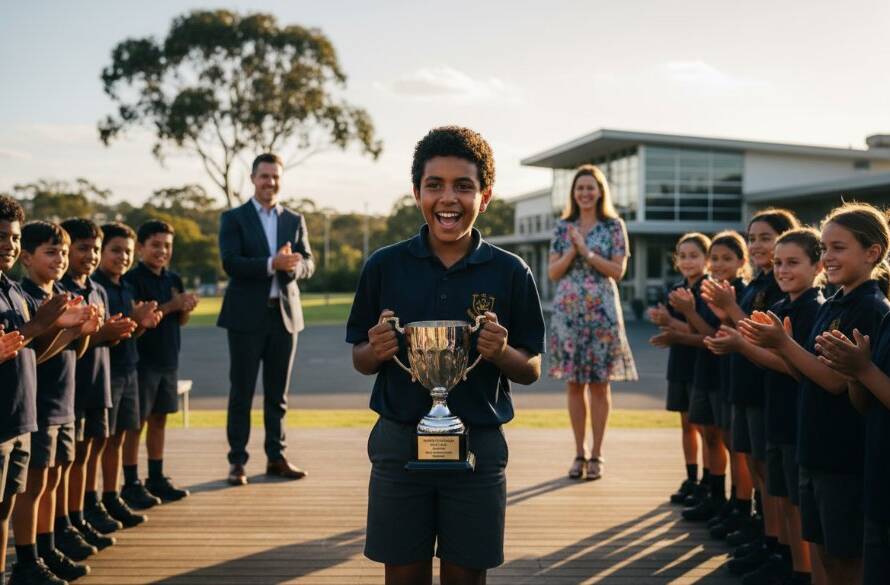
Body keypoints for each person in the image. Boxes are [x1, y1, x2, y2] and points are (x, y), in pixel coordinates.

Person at [346, 126, 545, 585]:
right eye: (434, 185)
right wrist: (374, 351)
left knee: (466, 575)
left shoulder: (511, 271)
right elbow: (359, 357)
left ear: (486, 195)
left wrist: (500, 352)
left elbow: (531, 368)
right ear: (417, 192)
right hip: (399, 442)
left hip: (479, 444)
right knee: (403, 574)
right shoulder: (384, 265)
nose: (447, 198)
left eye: (463, 185)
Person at [741, 202, 890, 584]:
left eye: (838, 247)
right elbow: (807, 372)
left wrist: (783, 345)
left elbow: (835, 381)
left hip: (843, 455)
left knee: (847, 560)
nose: (828, 256)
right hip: (815, 447)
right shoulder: (836, 302)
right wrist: (779, 347)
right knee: (825, 554)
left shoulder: (870, 307)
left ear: (872, 253)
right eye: (824, 248)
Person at [706, 228, 825, 585]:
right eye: (779, 263)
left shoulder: (812, 309)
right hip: (773, 407)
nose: (783, 270)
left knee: (794, 501)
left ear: (817, 266)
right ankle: (781, 554)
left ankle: (799, 569)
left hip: (793, 415)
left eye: (793, 263)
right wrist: (739, 340)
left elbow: (792, 365)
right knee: (778, 492)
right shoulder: (780, 305)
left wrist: (741, 342)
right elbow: (768, 352)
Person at [0, 200, 92, 585]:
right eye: (1, 236)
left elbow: (31, 353)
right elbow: (28, 336)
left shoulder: (11, 291)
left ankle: (22, 567)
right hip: (7, 420)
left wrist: (70, 331)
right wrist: (40, 325)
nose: (9, 244)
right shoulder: (25, 292)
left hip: (22, 416)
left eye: (14, 237)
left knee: (5, 510)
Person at [217, 153, 314, 486]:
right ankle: (237, 462)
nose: (270, 182)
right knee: (241, 393)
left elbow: (308, 263)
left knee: (278, 395)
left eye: (275, 177)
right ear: (253, 178)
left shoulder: (294, 219)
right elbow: (230, 263)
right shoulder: (233, 218)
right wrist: (272, 263)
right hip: (245, 317)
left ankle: (276, 457)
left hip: (285, 317)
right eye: (264, 176)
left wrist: (294, 266)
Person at [547, 164, 637, 481]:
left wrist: (587, 252)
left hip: (601, 311)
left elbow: (618, 271)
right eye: (579, 188)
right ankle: (579, 452)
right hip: (569, 313)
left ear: (600, 191)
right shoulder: (562, 227)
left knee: (600, 384)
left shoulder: (614, 226)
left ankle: (597, 454)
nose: (585, 193)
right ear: (573, 193)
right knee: (574, 383)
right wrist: (572, 251)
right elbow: (553, 273)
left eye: (590, 187)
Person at [59, 218, 134, 545]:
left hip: (98, 381)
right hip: (71, 387)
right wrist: (102, 333)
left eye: (94, 249)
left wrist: (115, 332)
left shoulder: (98, 289)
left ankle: (83, 513)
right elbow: (69, 340)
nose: (90, 255)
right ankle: (64, 523)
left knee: (90, 451)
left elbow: (101, 338)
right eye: (82, 248)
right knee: (69, 459)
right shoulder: (63, 291)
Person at [123, 220, 197, 502]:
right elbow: (140, 319)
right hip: (142, 361)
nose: (162, 251)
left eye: (167, 246)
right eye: (156, 245)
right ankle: (131, 482)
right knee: (135, 423)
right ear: (141, 247)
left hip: (168, 359)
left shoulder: (173, 279)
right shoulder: (133, 280)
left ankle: (156, 476)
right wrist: (171, 306)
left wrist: (185, 308)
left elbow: (181, 319)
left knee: (159, 420)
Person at [92, 222, 163, 517]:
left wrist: (140, 325)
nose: (122, 257)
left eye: (128, 252)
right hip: (106, 371)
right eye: (115, 250)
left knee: (120, 435)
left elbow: (127, 332)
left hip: (129, 366)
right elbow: (101, 333)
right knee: (101, 441)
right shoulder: (97, 288)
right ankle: (91, 502)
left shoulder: (126, 286)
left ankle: (112, 495)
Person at [648, 233, 710, 502]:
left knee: (705, 428)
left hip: (702, 364)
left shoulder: (709, 290)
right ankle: (691, 476)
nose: (687, 261)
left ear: (706, 259)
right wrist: (663, 320)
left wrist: (670, 323)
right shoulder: (674, 289)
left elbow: (701, 330)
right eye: (682, 256)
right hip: (680, 362)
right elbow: (672, 326)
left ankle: (708, 481)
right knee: (686, 425)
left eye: (694, 255)